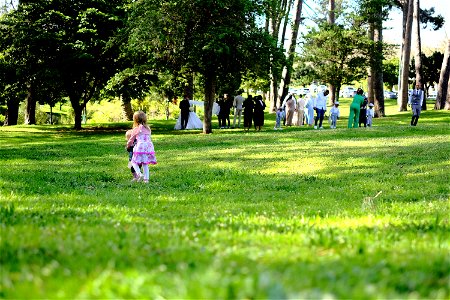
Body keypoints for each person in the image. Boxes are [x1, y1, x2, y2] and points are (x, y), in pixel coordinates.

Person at [126, 111, 157, 183]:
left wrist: (128, 145)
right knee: (145, 163)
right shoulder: (148, 128)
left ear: (135, 120)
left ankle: (139, 174)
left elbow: (131, 140)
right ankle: (146, 180)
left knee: (133, 162)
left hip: (140, 147)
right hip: (148, 147)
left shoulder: (136, 129)